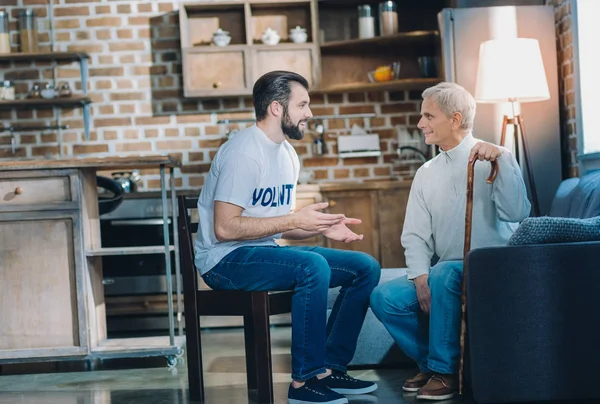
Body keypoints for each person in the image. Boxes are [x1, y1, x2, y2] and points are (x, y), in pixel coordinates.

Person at [194, 70, 381, 404]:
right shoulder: (242, 152)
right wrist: (296, 218)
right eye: (303, 104)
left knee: (363, 267)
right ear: (277, 108)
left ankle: (329, 369)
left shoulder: (286, 155)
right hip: (224, 261)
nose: (309, 113)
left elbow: (275, 225)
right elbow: (225, 228)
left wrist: (317, 226)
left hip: (260, 252)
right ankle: (304, 382)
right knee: (312, 266)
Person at [370, 82, 531, 401]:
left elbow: (518, 212)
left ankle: (446, 372)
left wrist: (501, 164)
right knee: (385, 296)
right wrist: (419, 278)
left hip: (489, 268)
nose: (420, 124)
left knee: (443, 273)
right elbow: (414, 235)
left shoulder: (496, 156)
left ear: (455, 119)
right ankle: (436, 365)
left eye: (428, 116)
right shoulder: (426, 172)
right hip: (447, 272)